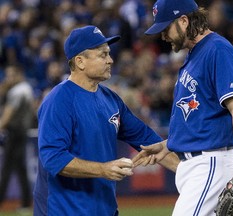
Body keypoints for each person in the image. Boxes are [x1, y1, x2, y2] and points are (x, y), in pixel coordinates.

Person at [33, 25, 179, 216]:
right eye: (102, 55)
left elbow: (150, 142)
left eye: (109, 54)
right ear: (80, 62)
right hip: (63, 211)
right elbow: (53, 158)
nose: (110, 60)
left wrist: (188, 173)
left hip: (104, 209)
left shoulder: (111, 99)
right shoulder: (59, 100)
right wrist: (103, 170)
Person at [132, 0, 233, 215]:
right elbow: (202, 116)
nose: (163, 36)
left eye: (165, 28)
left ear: (184, 21)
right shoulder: (195, 54)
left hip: (211, 164)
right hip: (196, 166)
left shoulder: (218, 50)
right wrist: (170, 144)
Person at [0, 64, 34, 210]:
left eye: (11, 74)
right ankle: (26, 202)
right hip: (21, 132)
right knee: (20, 168)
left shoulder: (19, 90)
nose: (8, 78)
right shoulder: (25, 88)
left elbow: (7, 115)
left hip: (15, 133)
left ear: (19, 74)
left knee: (7, 168)